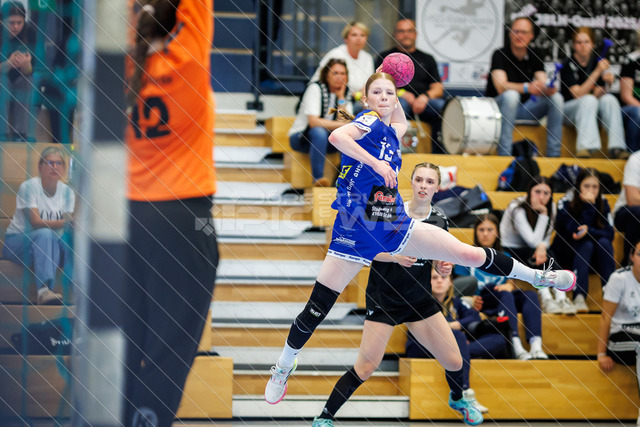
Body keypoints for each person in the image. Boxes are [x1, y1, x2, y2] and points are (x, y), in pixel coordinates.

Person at [264, 71, 576, 407]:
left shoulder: (394, 131)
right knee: (317, 308)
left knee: (468, 254)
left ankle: (538, 277)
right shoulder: (368, 121)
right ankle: (283, 366)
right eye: (377, 93)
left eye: (390, 93)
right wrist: (375, 163)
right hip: (353, 230)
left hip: (393, 225)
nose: (384, 98)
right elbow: (337, 136)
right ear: (365, 99)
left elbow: (398, 117)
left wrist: (393, 79)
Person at [311, 162, 483, 426]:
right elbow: (364, 248)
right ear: (411, 182)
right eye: (419, 180)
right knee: (366, 367)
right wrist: (394, 256)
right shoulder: (388, 208)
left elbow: (439, 256)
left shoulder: (439, 220)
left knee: (454, 361)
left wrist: (443, 266)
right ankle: (325, 416)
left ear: (437, 187)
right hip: (384, 299)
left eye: (429, 181)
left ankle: (458, 398)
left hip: (419, 301)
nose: (423, 185)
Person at [123, 0, 219, 425]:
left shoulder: (121, 68)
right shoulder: (189, 61)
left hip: (123, 218)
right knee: (173, 337)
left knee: (127, 333)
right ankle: (150, 416)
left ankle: (120, 413)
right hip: (182, 215)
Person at [406, 269, 512, 414]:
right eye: (434, 277)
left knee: (498, 340)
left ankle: (462, 351)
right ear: (427, 281)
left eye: (443, 277)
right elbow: (428, 329)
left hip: (451, 350)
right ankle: (464, 390)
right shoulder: (421, 303)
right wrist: (453, 331)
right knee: (457, 336)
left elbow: (474, 317)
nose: (439, 281)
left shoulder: (457, 302)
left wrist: (456, 327)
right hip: (421, 347)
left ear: (450, 282)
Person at [456, 214, 551, 359]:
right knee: (504, 293)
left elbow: (511, 281)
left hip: (504, 300)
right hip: (482, 300)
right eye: (481, 230)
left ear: (497, 233)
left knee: (530, 295)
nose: (485, 234)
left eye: (490, 230)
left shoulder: (504, 255)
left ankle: (536, 345)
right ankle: (516, 345)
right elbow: (459, 287)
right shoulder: (466, 254)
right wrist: (469, 298)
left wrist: (510, 285)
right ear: (475, 232)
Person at [2, 146, 74, 305]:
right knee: (45, 233)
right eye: (49, 163)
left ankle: (79, 290)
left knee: (71, 240)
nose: (54, 167)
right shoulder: (29, 187)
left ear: (64, 169)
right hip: (17, 243)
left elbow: (67, 227)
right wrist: (67, 223)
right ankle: (43, 291)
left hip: (50, 245)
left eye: (59, 163)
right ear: (40, 167)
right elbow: (35, 222)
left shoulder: (68, 193)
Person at [485, 17, 563, 157]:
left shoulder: (535, 54)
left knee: (556, 98)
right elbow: (500, 87)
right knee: (511, 96)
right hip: (498, 109)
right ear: (510, 34)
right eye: (516, 31)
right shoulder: (499, 54)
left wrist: (547, 89)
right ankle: (505, 154)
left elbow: (541, 80)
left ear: (531, 36)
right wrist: (527, 88)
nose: (519, 35)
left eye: (524, 32)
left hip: (524, 109)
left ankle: (554, 155)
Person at [500, 176, 575, 314]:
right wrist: (544, 213)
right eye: (537, 192)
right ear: (529, 192)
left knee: (547, 254)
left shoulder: (552, 207)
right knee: (537, 254)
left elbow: (546, 239)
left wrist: (542, 247)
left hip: (534, 249)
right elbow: (532, 240)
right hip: (511, 248)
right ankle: (546, 298)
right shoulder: (516, 207)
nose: (541, 197)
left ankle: (561, 298)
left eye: (546, 193)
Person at [375, 19, 445, 153]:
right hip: (397, 100)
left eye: (409, 31)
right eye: (401, 31)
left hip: (423, 103)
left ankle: (439, 152)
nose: (405, 35)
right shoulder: (385, 57)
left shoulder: (427, 59)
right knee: (399, 104)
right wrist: (402, 93)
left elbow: (438, 88)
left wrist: (425, 97)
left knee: (443, 107)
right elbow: (378, 84)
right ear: (395, 35)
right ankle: (392, 149)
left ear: (415, 34)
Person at [560, 27, 628, 159]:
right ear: (573, 45)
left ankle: (617, 148)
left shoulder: (596, 61)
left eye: (586, 42)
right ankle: (585, 147)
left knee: (610, 99)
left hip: (591, 109)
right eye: (579, 42)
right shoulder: (567, 64)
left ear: (592, 44)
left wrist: (608, 83)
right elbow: (578, 94)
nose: (583, 46)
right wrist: (597, 72)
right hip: (569, 110)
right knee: (588, 100)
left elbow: (597, 93)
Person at [553, 168, 616, 312]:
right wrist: (589, 207)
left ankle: (610, 294)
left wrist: (590, 230)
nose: (591, 191)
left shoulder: (603, 203)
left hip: (593, 257)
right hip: (568, 255)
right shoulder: (565, 202)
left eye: (595, 187)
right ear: (578, 186)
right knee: (586, 243)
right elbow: (577, 232)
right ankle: (579, 296)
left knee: (604, 243)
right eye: (586, 186)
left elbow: (610, 234)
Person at [289, 59, 352, 186]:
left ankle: (346, 181)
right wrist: (343, 125)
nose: (339, 77)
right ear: (326, 75)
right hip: (302, 138)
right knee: (319, 132)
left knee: (346, 135)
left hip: (328, 141)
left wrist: (341, 98)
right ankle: (318, 179)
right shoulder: (315, 88)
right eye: (335, 73)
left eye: (343, 73)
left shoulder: (345, 93)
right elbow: (314, 122)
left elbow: (344, 121)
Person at [597, 240, 640, 426]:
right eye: (639, 254)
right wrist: (601, 353)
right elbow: (605, 317)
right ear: (632, 257)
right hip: (619, 337)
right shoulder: (619, 278)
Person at [310, 21, 374, 102]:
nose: (358, 38)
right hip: (329, 98)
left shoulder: (368, 58)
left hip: (358, 100)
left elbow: (369, 84)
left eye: (362, 35)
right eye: (354, 35)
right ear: (346, 39)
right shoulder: (335, 55)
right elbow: (324, 81)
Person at [0, 1, 35, 141]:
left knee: (28, 81)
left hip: (20, 80)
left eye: (19, 23)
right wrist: (7, 64)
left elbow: (31, 71)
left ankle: (20, 134)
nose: (15, 27)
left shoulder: (30, 33)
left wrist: (26, 64)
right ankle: (2, 134)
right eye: (11, 23)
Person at [613, 151, 640, 267]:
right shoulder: (636, 159)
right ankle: (629, 265)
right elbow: (632, 199)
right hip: (625, 211)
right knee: (638, 213)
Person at [620, 30, 640, 153]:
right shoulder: (632, 60)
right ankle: (633, 153)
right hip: (630, 109)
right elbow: (626, 96)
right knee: (638, 112)